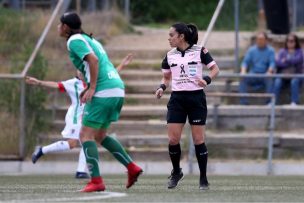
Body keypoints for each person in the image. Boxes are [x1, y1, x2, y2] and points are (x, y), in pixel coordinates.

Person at [58, 12, 142, 192]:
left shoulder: (74, 41)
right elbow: (98, 64)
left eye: (60, 24)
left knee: (85, 136)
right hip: (116, 88)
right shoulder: (92, 40)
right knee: (99, 135)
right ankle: (132, 168)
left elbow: (93, 61)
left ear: (65, 27)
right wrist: (89, 85)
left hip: (103, 90)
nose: (58, 28)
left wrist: (93, 87)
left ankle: (96, 181)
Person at [27, 54, 133, 179]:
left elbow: (111, 75)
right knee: (74, 143)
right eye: (81, 68)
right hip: (75, 117)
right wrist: (39, 82)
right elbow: (56, 85)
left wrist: (122, 65)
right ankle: (42, 150)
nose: (83, 70)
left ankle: (80, 171)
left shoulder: (94, 81)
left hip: (87, 116)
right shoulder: (72, 83)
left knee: (87, 140)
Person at [155, 23, 219, 190]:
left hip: (196, 98)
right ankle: (177, 172)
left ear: (181, 36)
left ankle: (203, 178)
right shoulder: (169, 56)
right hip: (177, 99)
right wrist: (162, 87)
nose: (169, 39)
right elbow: (166, 78)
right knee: (173, 139)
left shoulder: (200, 51)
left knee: (198, 140)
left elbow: (215, 69)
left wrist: (206, 79)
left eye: (171, 35)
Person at [239, 32, 275, 105]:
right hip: (253, 74)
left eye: (261, 39)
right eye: (258, 39)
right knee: (243, 78)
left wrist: (269, 71)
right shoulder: (252, 50)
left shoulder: (271, 50)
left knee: (269, 79)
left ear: (266, 40)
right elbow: (245, 62)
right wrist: (243, 71)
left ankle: (268, 102)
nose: (259, 41)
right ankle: (244, 102)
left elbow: (272, 63)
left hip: (264, 75)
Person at [274, 33, 303, 106]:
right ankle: (274, 102)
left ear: (295, 42)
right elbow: (278, 63)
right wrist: (289, 62)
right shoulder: (282, 51)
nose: (290, 43)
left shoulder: (299, 51)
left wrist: (286, 59)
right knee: (277, 81)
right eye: (288, 41)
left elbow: (298, 60)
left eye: (292, 41)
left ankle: (294, 102)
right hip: (283, 75)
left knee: (294, 81)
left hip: (295, 74)